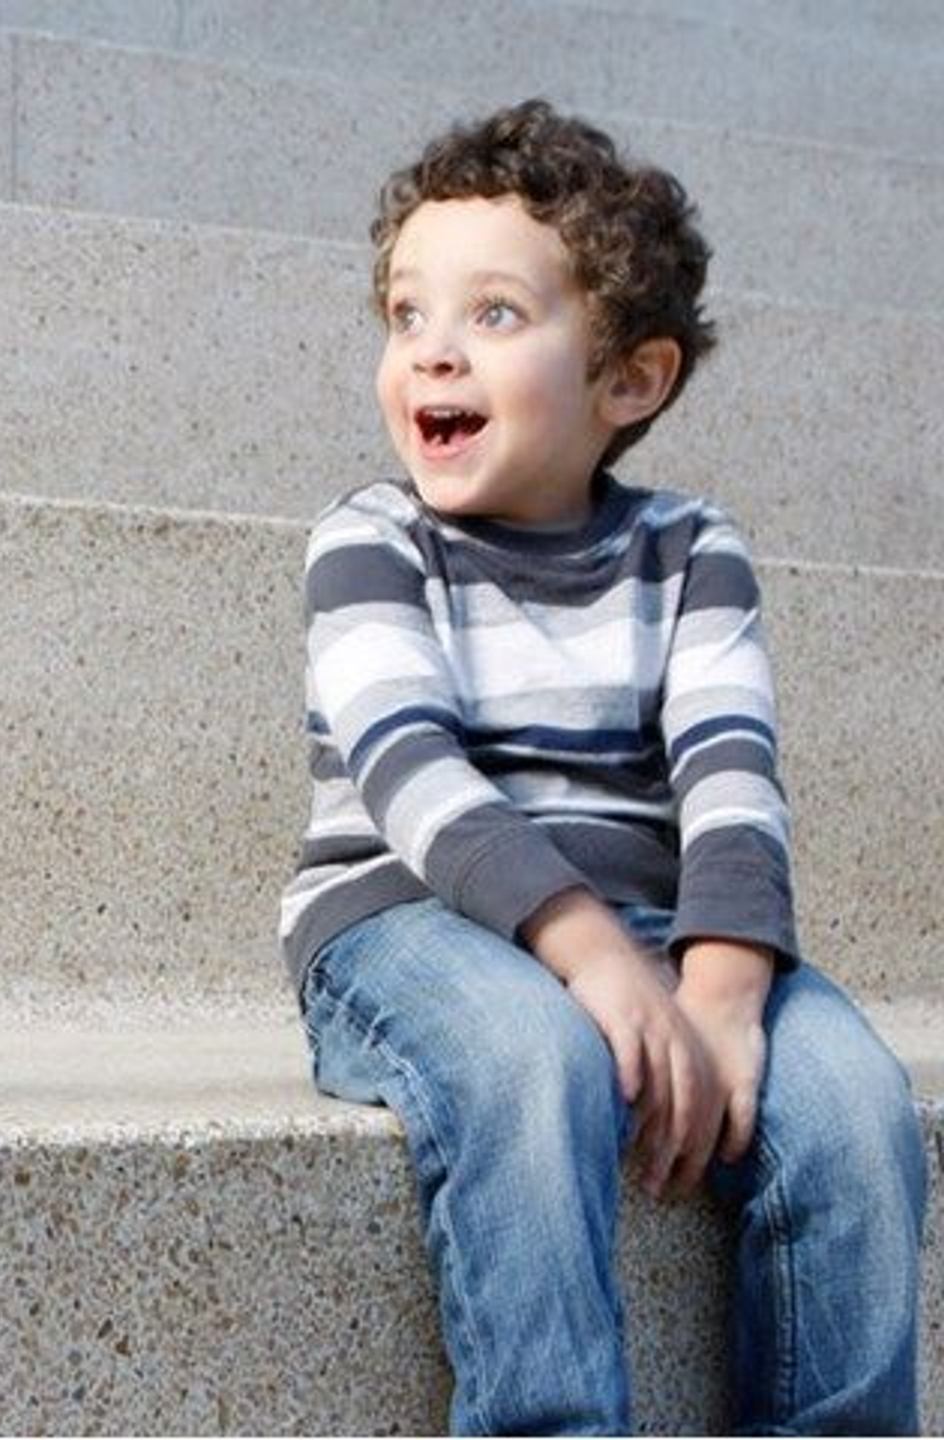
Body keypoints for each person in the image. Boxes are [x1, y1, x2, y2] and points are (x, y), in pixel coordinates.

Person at [278, 99, 925, 1435]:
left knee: (858, 1110)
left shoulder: (690, 551)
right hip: (411, 922)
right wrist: (594, 957)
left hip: (649, 928)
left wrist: (725, 990)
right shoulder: (371, 538)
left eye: (494, 315)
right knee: (538, 1061)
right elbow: (408, 768)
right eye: (407, 315)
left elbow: (732, 775)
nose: (433, 350)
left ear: (630, 380)